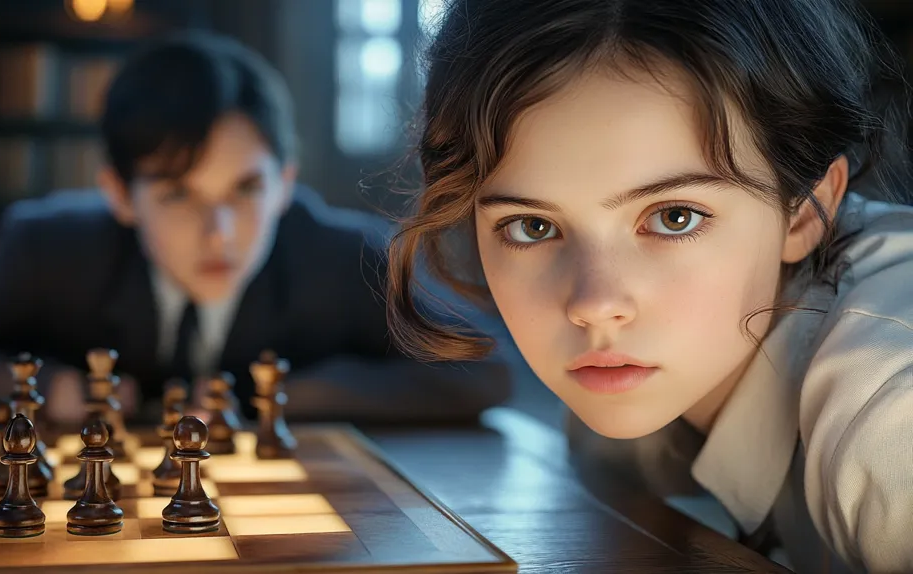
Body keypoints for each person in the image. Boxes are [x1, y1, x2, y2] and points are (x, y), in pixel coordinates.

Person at [385, 0, 913, 571]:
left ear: (807, 211)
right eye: (532, 227)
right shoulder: (621, 423)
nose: (594, 305)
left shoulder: (889, 407)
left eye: (674, 217)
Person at [0, 31, 511, 426]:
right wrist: (41, 388)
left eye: (246, 189)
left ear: (285, 182)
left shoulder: (344, 254)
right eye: (178, 194)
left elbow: (484, 371)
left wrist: (276, 396)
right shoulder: (50, 248)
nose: (220, 233)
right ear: (119, 195)